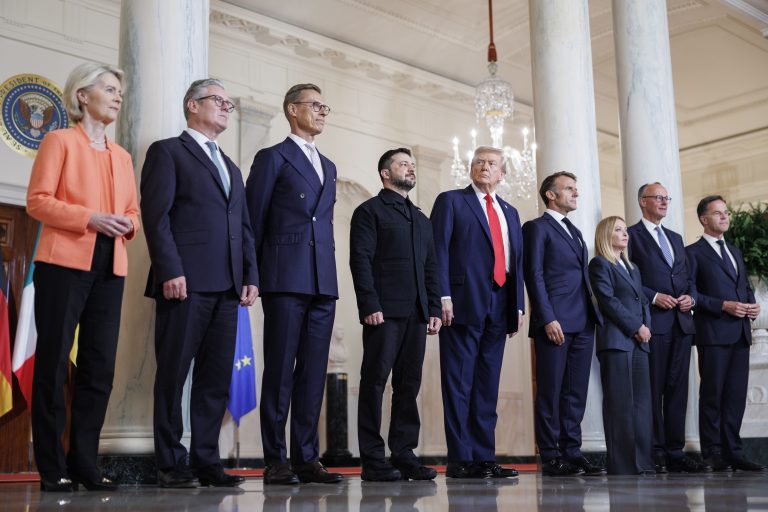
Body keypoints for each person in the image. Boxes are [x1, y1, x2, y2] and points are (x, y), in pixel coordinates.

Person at [26, 62, 140, 492]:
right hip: (63, 263)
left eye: (119, 92)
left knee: (99, 367)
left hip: (111, 265)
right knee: (54, 364)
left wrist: (129, 223)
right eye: (109, 89)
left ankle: (85, 464)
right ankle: (52, 467)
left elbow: (132, 211)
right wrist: (90, 217)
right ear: (82, 95)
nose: (117, 97)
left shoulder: (123, 156)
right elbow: (38, 201)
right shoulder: (59, 141)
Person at [141, 78, 258, 488]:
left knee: (214, 378)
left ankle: (206, 461)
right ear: (192, 105)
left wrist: (250, 276)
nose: (226, 107)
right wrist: (170, 269)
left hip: (228, 288)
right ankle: (170, 463)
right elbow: (156, 217)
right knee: (173, 375)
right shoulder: (168, 152)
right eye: (217, 100)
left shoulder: (231, 166)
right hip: (184, 283)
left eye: (228, 103)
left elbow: (243, 228)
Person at [246, 84, 342, 485]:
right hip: (284, 275)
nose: (321, 112)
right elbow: (252, 220)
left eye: (324, 107)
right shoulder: (273, 157)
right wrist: (251, 275)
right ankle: (276, 459)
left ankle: (307, 457)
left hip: (322, 279)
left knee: (314, 373)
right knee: (281, 369)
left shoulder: (330, 166)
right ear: (292, 109)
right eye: (314, 105)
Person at [430, 146, 524, 479]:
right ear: (470, 168)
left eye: (492, 163)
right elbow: (438, 250)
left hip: (500, 303)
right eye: (479, 162)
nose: (484, 167)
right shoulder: (451, 201)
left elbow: (516, 261)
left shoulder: (510, 211)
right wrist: (442, 295)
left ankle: (484, 457)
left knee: (487, 384)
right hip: (462, 301)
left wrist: (517, 305)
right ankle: (460, 459)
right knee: (459, 383)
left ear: (502, 173)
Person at [349, 148, 442, 482]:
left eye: (413, 164)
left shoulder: (421, 219)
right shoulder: (369, 211)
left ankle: (404, 453)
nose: (411, 169)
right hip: (384, 312)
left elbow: (431, 267)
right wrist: (369, 304)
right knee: (375, 382)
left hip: (417, 313)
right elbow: (360, 260)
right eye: (404, 164)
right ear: (385, 173)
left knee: (408, 384)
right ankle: (373, 459)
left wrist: (433, 308)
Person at [522, 171, 604, 477]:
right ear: (551, 194)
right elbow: (534, 275)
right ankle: (551, 455)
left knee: (575, 393)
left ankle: (572, 452)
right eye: (569, 188)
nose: (575, 193)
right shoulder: (536, 228)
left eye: (575, 188)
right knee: (550, 391)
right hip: (554, 321)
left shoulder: (576, 231)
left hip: (583, 321)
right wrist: (547, 317)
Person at [627, 183, 702, 473]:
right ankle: (656, 451)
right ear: (642, 201)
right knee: (654, 389)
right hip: (654, 324)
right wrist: (654, 296)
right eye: (658, 197)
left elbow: (688, 279)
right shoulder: (631, 236)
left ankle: (675, 451)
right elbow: (629, 279)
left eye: (666, 198)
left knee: (678, 391)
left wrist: (691, 298)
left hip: (682, 324)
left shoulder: (675, 237)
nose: (664, 202)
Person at [686, 195, 765, 472]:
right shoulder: (693, 252)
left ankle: (734, 451)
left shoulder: (734, 251)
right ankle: (713, 453)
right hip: (713, 333)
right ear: (703, 219)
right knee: (712, 395)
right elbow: (692, 294)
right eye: (718, 213)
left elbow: (744, 287)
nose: (725, 217)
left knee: (734, 396)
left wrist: (752, 304)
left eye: (726, 213)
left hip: (740, 333)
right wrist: (723, 305)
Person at [588, 216, 654, 475]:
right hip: (617, 342)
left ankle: (643, 463)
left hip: (639, 342)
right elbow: (607, 301)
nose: (625, 234)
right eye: (618, 230)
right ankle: (623, 465)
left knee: (642, 406)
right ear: (606, 235)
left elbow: (643, 301)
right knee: (620, 405)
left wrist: (646, 328)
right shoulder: (599, 264)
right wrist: (636, 327)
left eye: (626, 230)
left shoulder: (632, 267)